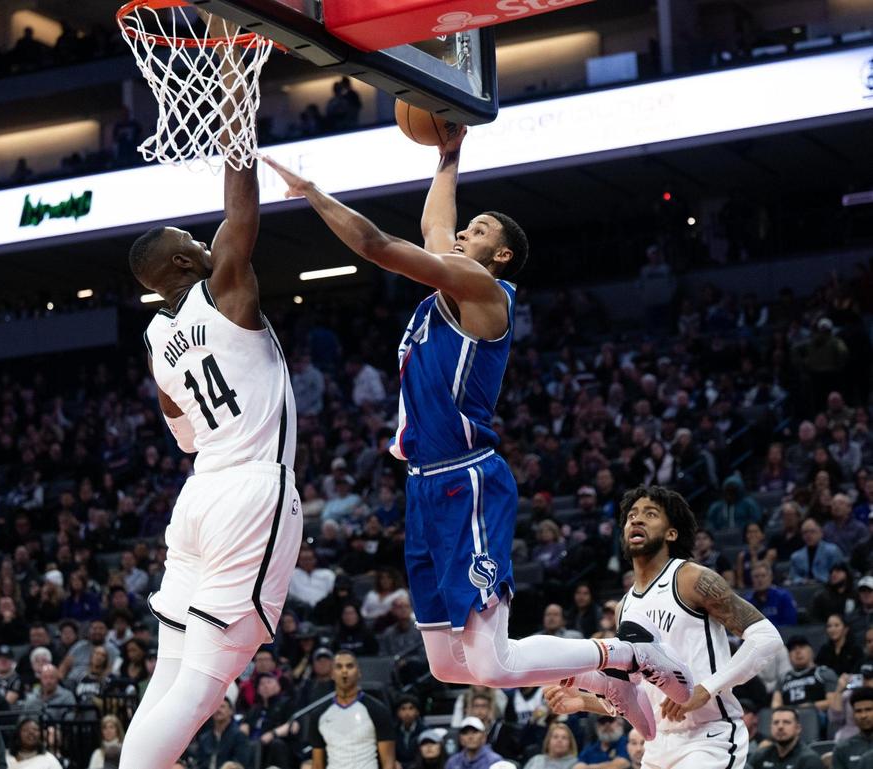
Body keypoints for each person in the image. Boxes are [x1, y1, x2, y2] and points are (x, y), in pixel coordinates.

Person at [263, 134, 691, 729]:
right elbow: (435, 223)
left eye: (481, 230)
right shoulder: (452, 280)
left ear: (503, 257)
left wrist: (309, 192)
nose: (465, 231)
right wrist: (448, 156)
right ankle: (594, 676)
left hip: (468, 480)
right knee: (445, 665)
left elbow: (377, 244)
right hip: (421, 485)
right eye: (470, 226)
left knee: (490, 664)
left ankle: (626, 656)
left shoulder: (484, 293)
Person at [121, 20, 302, 766]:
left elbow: (185, 433)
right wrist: (233, 88)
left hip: (196, 498)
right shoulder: (224, 285)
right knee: (202, 688)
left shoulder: (156, 346)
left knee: (168, 678)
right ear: (186, 257)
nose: (205, 238)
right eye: (191, 237)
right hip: (248, 493)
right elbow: (243, 193)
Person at [544, 485, 785, 769]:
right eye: (632, 515)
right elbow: (639, 694)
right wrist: (586, 702)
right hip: (656, 745)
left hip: (707, 739)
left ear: (671, 533)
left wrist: (705, 689)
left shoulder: (691, 578)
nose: (636, 519)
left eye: (650, 514)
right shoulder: (625, 607)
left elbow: (766, 637)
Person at [310, 650, 396, 769]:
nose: (344, 671)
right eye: (339, 667)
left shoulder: (378, 710)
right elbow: (317, 765)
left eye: (349, 666)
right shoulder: (318, 715)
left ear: (359, 672)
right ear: (332, 674)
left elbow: (389, 763)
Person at [746, 708, 824, 768]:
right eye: (776, 722)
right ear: (770, 728)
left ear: (798, 728)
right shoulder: (760, 756)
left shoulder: (810, 759)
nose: (780, 727)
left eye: (786, 722)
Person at [194, 699, 251, 769]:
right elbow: (198, 763)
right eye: (216, 707)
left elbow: (239, 764)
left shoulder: (239, 736)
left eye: (222, 707)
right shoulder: (204, 738)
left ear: (231, 711)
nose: (218, 710)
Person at [830, 686, 873, 766]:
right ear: (853, 714)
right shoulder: (842, 749)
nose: (863, 715)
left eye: (868, 709)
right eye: (858, 711)